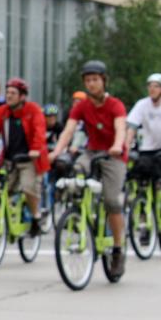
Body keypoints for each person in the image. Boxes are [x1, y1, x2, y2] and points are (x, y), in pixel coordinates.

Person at [49, 60, 127, 276]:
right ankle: (79, 213)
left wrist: (117, 146)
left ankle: (118, 250)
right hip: (91, 152)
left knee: (112, 200)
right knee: (74, 171)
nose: (91, 84)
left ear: (104, 80)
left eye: (95, 80)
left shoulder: (115, 105)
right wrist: (56, 152)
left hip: (113, 155)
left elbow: (120, 127)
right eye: (88, 80)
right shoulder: (81, 106)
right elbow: (68, 130)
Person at [0, 77, 50, 232]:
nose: (8, 96)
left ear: (22, 96)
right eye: (7, 92)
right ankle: (4, 216)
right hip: (9, 159)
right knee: (4, 190)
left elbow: (39, 133)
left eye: (13, 93)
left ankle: (35, 216)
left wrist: (35, 149)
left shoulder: (33, 110)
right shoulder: (2, 112)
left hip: (30, 160)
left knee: (29, 188)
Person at [125, 72, 161, 214]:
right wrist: (126, 145)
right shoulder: (142, 104)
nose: (152, 89)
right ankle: (140, 202)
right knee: (139, 169)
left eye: (156, 86)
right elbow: (132, 127)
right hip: (148, 148)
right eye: (150, 86)